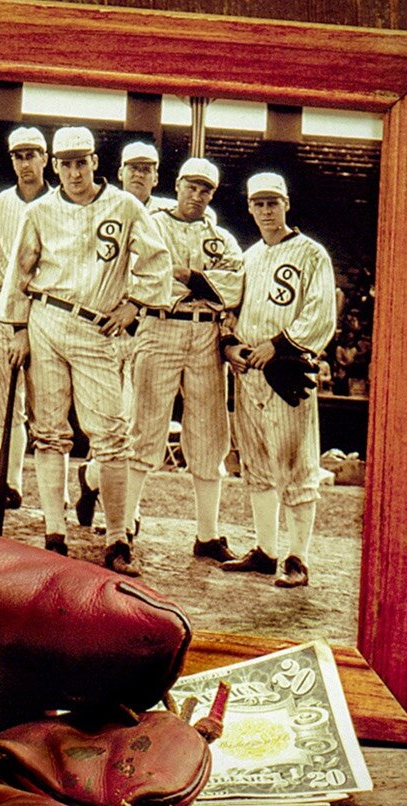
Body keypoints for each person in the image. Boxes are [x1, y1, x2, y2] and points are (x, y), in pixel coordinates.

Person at [0, 125, 172, 573]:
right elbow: (19, 271)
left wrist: (135, 303)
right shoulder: (40, 211)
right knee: (50, 430)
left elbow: (157, 261)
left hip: (98, 327)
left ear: (95, 162)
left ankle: (116, 538)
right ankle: (54, 531)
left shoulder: (125, 206)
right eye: (66, 164)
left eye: (81, 162)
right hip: (47, 318)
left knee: (111, 436)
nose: (74, 172)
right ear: (55, 167)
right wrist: (18, 328)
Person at [122, 157, 245, 574]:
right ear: (176, 185)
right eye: (191, 186)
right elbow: (148, 276)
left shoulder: (221, 238)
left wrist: (187, 273)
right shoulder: (151, 222)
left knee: (209, 435)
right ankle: (124, 526)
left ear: (213, 194)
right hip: (160, 325)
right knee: (146, 428)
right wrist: (198, 281)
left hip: (206, 333)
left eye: (205, 189)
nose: (197, 195)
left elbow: (232, 288)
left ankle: (207, 535)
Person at [221, 172, 337, 587]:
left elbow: (321, 313)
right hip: (248, 369)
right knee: (257, 464)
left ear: (286, 204)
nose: (266, 211)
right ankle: (266, 550)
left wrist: (281, 343)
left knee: (296, 465)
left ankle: (297, 557)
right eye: (259, 204)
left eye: (273, 203)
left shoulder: (311, 253)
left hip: (287, 368)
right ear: (250, 207)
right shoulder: (249, 256)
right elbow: (230, 311)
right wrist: (230, 345)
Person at [76, 140, 170, 530]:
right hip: (105, 327)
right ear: (119, 172)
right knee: (110, 419)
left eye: (147, 168)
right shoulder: (100, 207)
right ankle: (111, 499)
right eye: (133, 167)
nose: (139, 174)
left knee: (140, 424)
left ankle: (105, 489)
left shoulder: (168, 215)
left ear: (157, 175)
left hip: (150, 326)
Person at [0, 125, 52, 511]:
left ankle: (46, 491)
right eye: (18, 156)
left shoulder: (61, 202)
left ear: (44, 158)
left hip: (45, 313)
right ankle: (8, 482)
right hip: (5, 312)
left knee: (47, 403)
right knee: (4, 402)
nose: (25, 163)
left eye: (32, 155)